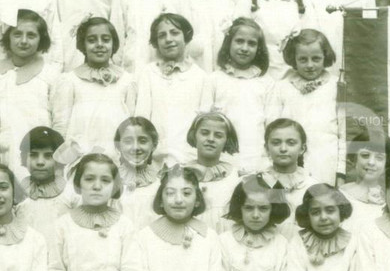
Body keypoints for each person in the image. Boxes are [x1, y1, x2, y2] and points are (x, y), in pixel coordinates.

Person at [0, 10, 62, 170]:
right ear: (8, 37)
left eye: (31, 35)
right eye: (17, 34)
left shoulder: (52, 75)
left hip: (41, 157)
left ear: (41, 39)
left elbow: (59, 120)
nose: (24, 41)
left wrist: (58, 156)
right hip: (6, 155)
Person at [269, 29, 343, 186]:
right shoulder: (282, 87)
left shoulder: (336, 86)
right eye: (303, 59)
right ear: (294, 59)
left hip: (325, 162)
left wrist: (341, 171)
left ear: (325, 56)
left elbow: (344, 133)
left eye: (316, 58)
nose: (310, 65)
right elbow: (272, 128)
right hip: (288, 164)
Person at [53, 17, 136, 151]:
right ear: (82, 45)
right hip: (80, 154)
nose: (99, 44)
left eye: (106, 39)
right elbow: (61, 125)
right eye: (91, 40)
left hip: (116, 154)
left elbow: (133, 123)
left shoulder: (126, 81)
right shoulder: (70, 81)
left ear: (114, 43)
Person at [203, 17, 274, 174]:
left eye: (251, 43)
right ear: (229, 43)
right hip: (222, 158)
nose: (244, 48)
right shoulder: (214, 80)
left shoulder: (267, 83)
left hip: (256, 157)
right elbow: (205, 123)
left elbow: (271, 125)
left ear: (259, 48)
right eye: (239, 41)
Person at [134, 13, 207, 161]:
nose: (168, 39)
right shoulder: (148, 73)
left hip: (189, 157)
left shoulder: (201, 76)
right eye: (162, 35)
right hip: (155, 157)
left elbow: (203, 122)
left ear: (186, 37)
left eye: (174, 33)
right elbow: (142, 117)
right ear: (156, 42)